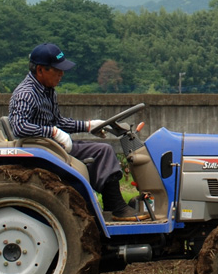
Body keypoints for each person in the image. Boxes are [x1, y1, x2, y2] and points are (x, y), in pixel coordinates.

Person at [8, 42, 150, 221]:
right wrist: (53, 132)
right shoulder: (26, 94)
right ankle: (116, 206)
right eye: (56, 70)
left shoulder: (47, 91)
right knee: (103, 151)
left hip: (51, 146)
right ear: (40, 70)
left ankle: (116, 204)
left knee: (98, 149)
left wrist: (88, 126)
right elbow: (19, 126)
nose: (61, 74)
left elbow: (58, 121)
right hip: (44, 151)